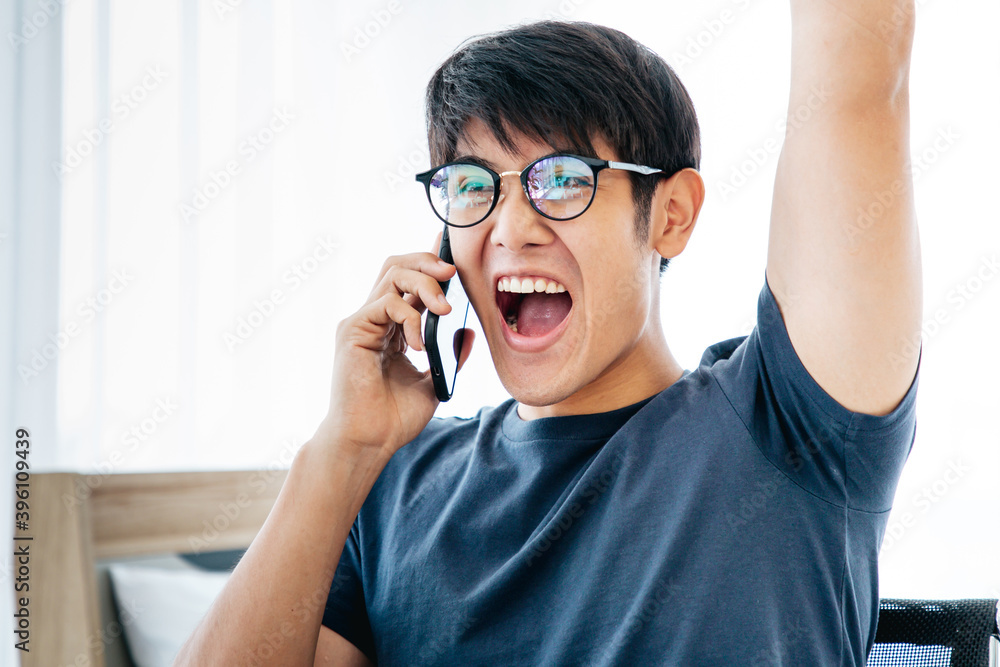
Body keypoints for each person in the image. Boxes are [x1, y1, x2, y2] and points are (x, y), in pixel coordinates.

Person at [176, 3, 922, 665]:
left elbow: (860, 66)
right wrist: (339, 453)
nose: (510, 228)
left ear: (670, 215)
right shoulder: (388, 484)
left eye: (562, 177)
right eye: (471, 184)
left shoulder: (790, 426)